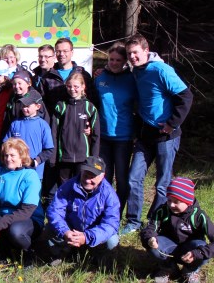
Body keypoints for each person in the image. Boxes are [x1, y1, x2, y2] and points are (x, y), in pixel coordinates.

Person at [121, 34, 193, 235]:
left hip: (165, 136)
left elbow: (186, 96)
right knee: (133, 178)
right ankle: (133, 222)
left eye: (135, 52)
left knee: (162, 184)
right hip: (145, 136)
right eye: (129, 54)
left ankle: (154, 221)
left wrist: (171, 124)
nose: (132, 57)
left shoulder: (161, 69)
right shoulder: (136, 71)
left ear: (146, 50)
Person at [46, 156, 120, 266]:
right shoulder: (68, 186)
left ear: (102, 176)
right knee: (49, 228)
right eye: (85, 175)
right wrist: (65, 231)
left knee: (112, 240)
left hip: (94, 234)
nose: (87, 180)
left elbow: (111, 224)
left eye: (92, 177)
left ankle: (98, 256)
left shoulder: (109, 194)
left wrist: (87, 237)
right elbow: (54, 211)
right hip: (71, 232)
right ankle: (62, 252)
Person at [0, 138, 44, 265]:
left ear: (22, 157)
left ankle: (29, 254)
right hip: (4, 215)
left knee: (15, 231)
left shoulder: (30, 176)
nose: (8, 159)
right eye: (5, 155)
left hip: (29, 219)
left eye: (12, 155)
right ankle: (4, 250)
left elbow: (26, 212)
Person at [141, 177, 212, 283]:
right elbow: (150, 228)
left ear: (187, 202)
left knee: (204, 251)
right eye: (169, 200)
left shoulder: (199, 216)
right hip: (169, 245)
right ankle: (168, 267)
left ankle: (190, 270)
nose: (171, 204)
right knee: (153, 244)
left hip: (190, 249)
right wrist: (150, 238)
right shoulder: (162, 210)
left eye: (176, 202)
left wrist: (198, 253)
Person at [95, 42, 137, 215]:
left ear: (125, 61)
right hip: (103, 137)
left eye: (118, 60)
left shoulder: (132, 79)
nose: (114, 63)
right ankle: (103, 211)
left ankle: (117, 214)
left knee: (121, 178)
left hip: (123, 137)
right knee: (103, 177)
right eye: (111, 59)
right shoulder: (99, 77)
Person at [51, 73, 100, 183]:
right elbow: (54, 132)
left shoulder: (90, 108)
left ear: (83, 87)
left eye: (76, 86)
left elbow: (96, 135)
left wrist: (94, 158)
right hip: (64, 156)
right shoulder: (61, 106)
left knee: (81, 186)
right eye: (69, 86)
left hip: (83, 158)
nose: (72, 89)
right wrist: (53, 156)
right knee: (64, 187)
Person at [3, 91, 54, 181]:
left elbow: (49, 149)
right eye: (23, 105)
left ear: (38, 106)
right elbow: (6, 143)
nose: (24, 108)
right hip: (15, 171)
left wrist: (36, 161)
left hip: (34, 173)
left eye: (27, 106)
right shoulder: (15, 124)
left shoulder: (43, 125)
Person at [37, 38, 95, 116]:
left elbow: (92, 100)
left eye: (65, 51)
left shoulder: (83, 74)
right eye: (58, 51)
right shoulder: (47, 77)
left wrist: (89, 122)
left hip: (78, 122)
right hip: (55, 123)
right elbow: (42, 105)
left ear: (72, 52)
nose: (61, 54)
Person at [1, 70, 48, 137]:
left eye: (19, 83)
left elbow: (45, 119)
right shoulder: (12, 98)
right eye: (14, 84)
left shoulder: (35, 98)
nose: (16, 86)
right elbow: (7, 120)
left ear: (28, 84)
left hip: (31, 136)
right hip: (15, 136)